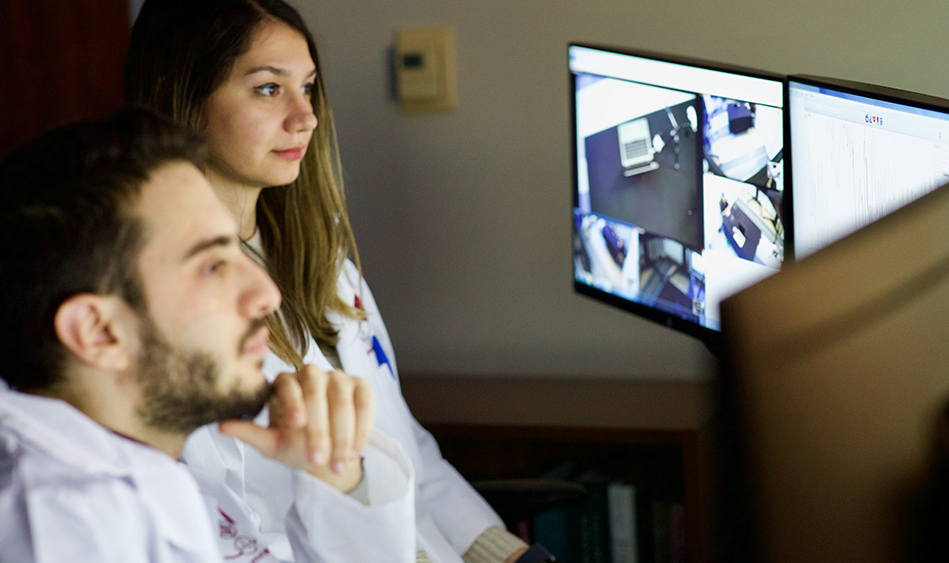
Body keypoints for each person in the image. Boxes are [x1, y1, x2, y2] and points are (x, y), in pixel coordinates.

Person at [124, 1, 545, 562]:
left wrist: (509, 555)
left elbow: (408, 450)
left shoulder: (320, 262)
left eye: (309, 87)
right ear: (180, 97)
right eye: (269, 89)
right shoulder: (162, 312)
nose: (306, 117)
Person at [0, 109, 416, 562]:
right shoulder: (64, 531)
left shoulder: (135, 480)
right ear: (99, 332)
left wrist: (335, 476)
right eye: (213, 265)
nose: (268, 294)